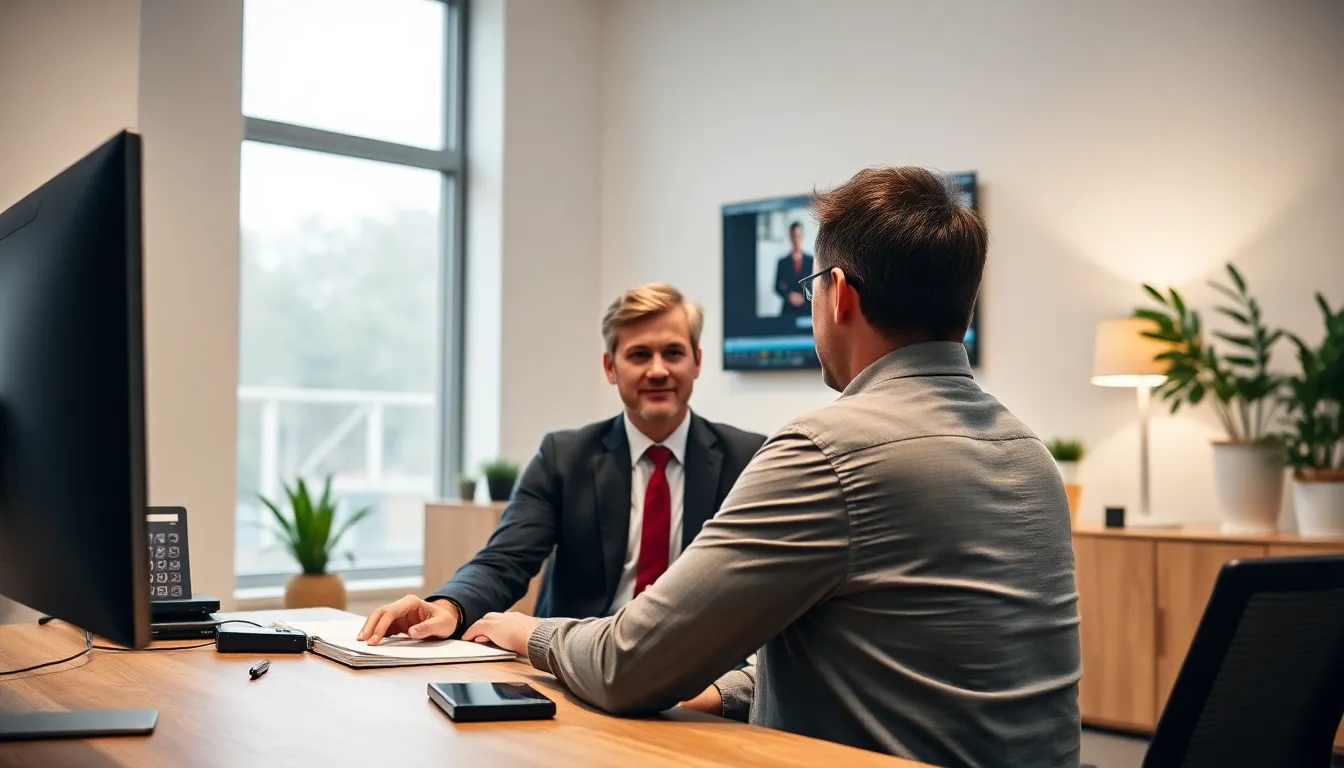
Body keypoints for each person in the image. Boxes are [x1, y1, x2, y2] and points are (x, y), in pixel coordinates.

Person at [462, 167, 1083, 767]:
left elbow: (626, 665)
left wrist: (522, 632)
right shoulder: (1031, 455)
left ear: (837, 293)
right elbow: (886, 659)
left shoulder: (826, 450)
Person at [358, 284, 766, 646]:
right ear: (610, 367)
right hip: (575, 664)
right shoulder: (564, 457)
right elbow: (505, 560)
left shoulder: (748, 458)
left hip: (698, 670)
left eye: (673, 353)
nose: (657, 370)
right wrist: (449, 605)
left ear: (696, 361)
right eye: (639, 354)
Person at [772, 221, 813, 317]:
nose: (796, 240)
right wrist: (789, 296)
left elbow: (815, 286)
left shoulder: (811, 261)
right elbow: (777, 286)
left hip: (806, 311)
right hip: (788, 311)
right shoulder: (782, 262)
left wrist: (803, 298)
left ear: (802, 237)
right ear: (790, 237)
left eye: (798, 236)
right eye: (793, 236)